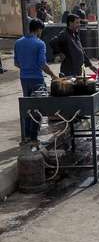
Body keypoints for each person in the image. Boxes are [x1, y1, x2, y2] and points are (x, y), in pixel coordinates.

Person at [14, 19, 58, 147]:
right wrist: (53, 75)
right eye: (41, 30)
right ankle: (34, 138)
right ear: (39, 29)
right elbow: (42, 64)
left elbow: (16, 63)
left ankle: (27, 136)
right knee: (38, 108)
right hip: (37, 79)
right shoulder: (40, 44)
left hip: (24, 78)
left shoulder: (18, 42)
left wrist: (26, 67)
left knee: (27, 106)